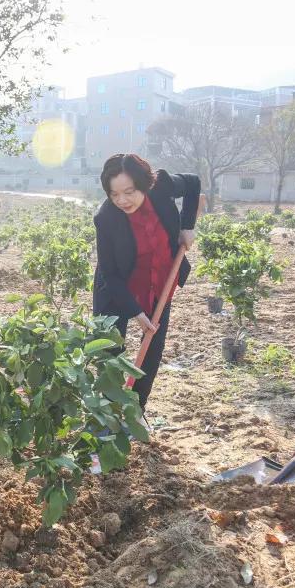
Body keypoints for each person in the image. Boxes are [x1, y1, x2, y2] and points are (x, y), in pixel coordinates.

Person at [93, 153, 200, 410]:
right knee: (108, 350)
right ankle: (108, 412)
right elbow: (110, 273)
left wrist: (188, 226)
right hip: (117, 288)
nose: (122, 200)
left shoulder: (161, 185)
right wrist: (136, 313)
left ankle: (137, 410)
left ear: (144, 184)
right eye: (114, 194)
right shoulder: (106, 217)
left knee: (152, 348)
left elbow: (193, 182)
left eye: (129, 192)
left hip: (158, 281)